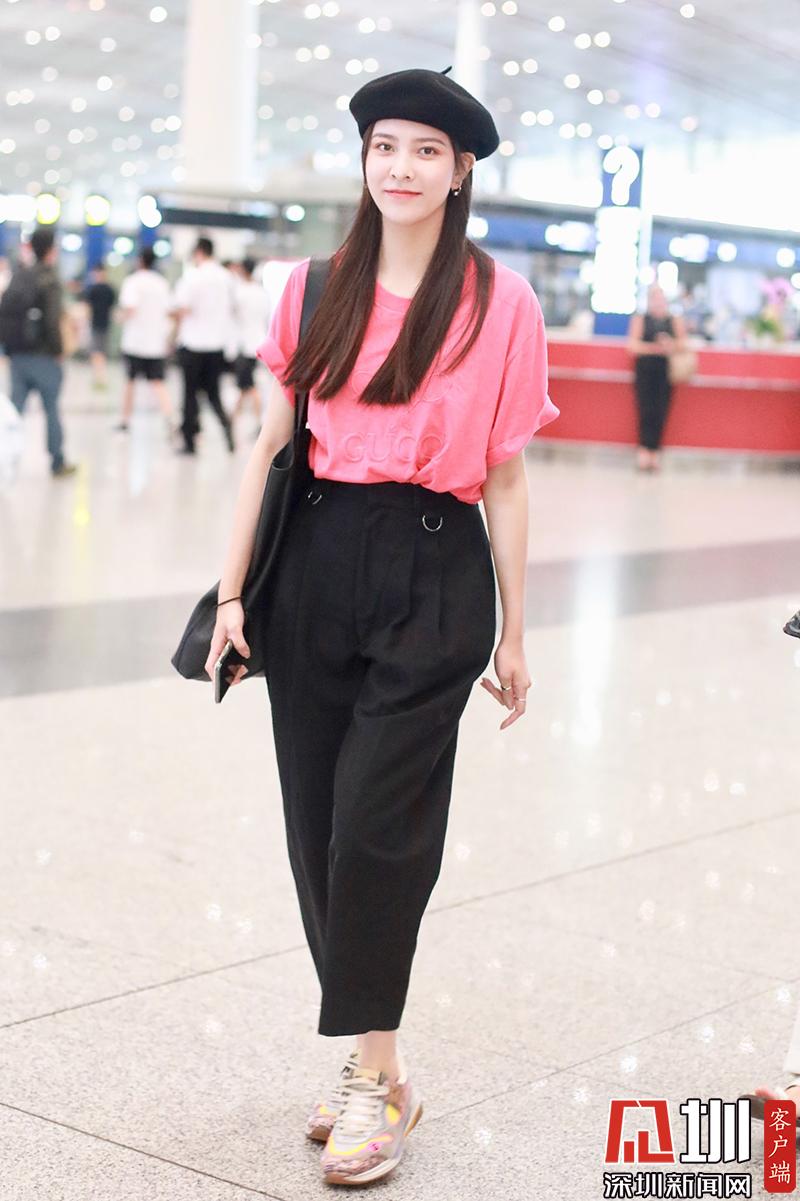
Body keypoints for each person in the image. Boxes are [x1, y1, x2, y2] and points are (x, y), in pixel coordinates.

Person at [202, 66, 558, 1188]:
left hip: (434, 570)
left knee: (374, 827)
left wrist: (514, 631)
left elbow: (507, 476)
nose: (400, 167)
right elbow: (267, 447)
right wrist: (229, 597)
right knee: (317, 825)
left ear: (460, 172)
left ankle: (374, 1076)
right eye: (384, 146)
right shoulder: (310, 288)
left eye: (425, 151)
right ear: (364, 161)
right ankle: (378, 1066)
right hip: (312, 563)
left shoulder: (502, 302)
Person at [0, 227, 77, 477]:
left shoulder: (19, 275)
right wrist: (58, 350)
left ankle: (5, 459)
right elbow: (52, 320)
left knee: (14, 412)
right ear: (52, 249)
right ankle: (57, 461)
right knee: (51, 409)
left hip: (18, 354)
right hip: (44, 356)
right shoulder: (49, 279)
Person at [171, 236, 236, 455]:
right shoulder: (226, 278)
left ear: (198, 252)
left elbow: (182, 308)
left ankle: (190, 442)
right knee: (213, 394)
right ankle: (227, 428)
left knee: (190, 395)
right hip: (217, 346)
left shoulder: (193, 276)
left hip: (193, 345)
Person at [114, 246, 175, 435]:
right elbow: (169, 312)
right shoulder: (162, 283)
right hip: (155, 342)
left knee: (130, 381)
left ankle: (125, 420)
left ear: (140, 260)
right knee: (158, 382)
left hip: (135, 342)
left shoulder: (132, 282)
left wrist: (120, 317)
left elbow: (130, 308)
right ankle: (170, 418)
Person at [628, 284, 687, 472]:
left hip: (665, 372)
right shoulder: (641, 319)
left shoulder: (674, 320)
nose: (658, 302)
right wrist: (655, 348)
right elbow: (632, 346)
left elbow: (683, 344)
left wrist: (669, 345)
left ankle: (655, 453)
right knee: (645, 411)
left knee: (661, 411)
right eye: (654, 298)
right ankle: (644, 452)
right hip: (645, 371)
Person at [230, 258, 271, 433]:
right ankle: (233, 418)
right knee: (245, 385)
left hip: (245, 345)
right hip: (259, 341)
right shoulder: (262, 293)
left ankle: (260, 421)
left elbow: (233, 315)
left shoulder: (240, 292)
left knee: (249, 385)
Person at [82, 262, 116, 389]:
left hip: (96, 324)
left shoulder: (93, 289)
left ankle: (99, 378)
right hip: (105, 324)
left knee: (96, 352)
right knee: (101, 352)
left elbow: (87, 308)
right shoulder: (110, 289)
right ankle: (101, 377)